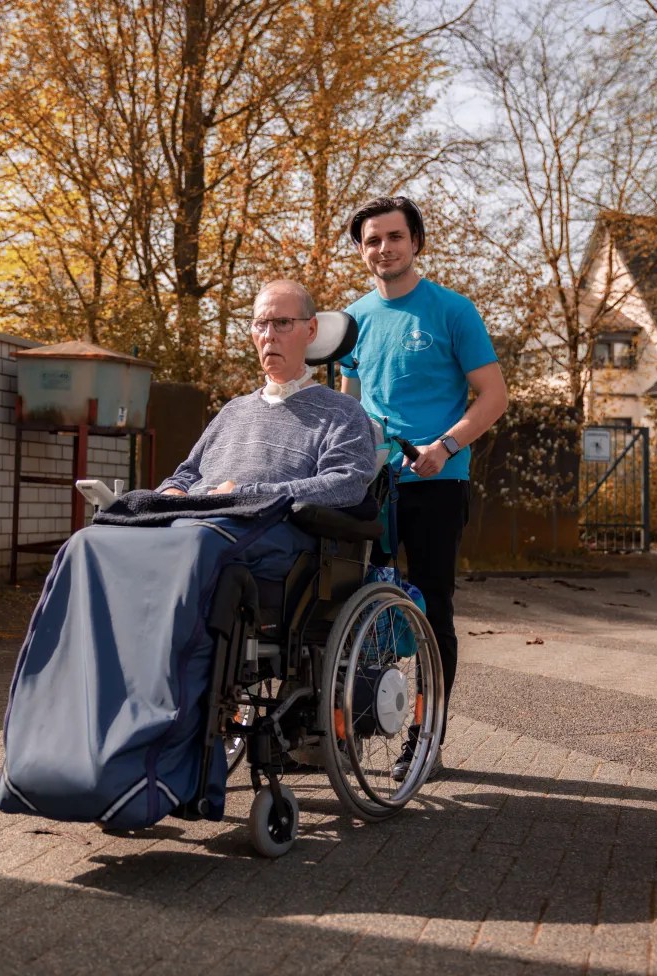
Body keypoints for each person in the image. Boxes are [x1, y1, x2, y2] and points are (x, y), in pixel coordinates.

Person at [339, 196, 509, 780]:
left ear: (416, 242)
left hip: (437, 481)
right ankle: (357, 724)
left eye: (394, 237)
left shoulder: (452, 310)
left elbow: (494, 396)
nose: (383, 248)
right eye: (372, 240)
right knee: (357, 605)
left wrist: (445, 447)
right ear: (361, 250)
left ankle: (425, 737)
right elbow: (350, 407)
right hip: (372, 484)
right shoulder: (353, 320)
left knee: (432, 607)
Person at [159, 279, 376, 510]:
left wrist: (244, 495)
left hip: (252, 524)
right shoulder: (232, 411)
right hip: (187, 519)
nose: (268, 335)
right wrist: (171, 491)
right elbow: (187, 474)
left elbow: (345, 485)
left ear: (311, 330)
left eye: (283, 323)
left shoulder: (343, 413)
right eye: (261, 324)